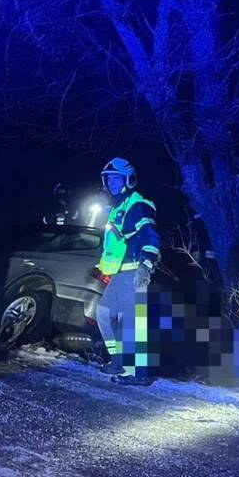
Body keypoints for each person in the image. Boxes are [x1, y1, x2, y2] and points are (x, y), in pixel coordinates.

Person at [93, 158, 160, 385]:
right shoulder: (118, 207)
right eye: (109, 179)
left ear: (128, 180)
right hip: (120, 273)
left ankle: (138, 373)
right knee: (103, 313)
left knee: (133, 324)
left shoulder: (136, 204)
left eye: (116, 179)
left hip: (134, 272)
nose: (111, 183)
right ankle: (120, 360)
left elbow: (151, 236)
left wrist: (146, 265)